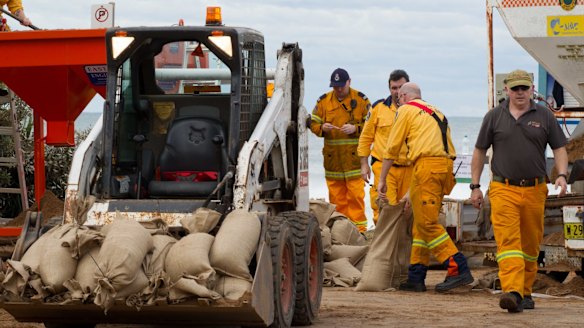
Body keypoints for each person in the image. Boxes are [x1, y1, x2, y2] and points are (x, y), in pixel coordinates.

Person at [470, 69, 568, 313]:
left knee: (530, 245)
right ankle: (512, 290)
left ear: (532, 89)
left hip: (535, 189)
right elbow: (479, 151)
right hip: (503, 188)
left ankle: (524, 292)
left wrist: (563, 175)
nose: (520, 92)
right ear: (507, 90)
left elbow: (559, 149)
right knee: (509, 242)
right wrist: (475, 186)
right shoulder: (494, 116)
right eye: (516, 88)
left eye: (524, 88)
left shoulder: (545, 116)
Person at [378, 82, 474, 292]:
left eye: (399, 97)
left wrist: (382, 179)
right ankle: (416, 275)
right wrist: (411, 192)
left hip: (427, 167)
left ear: (403, 96)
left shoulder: (406, 110)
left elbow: (392, 147)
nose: (398, 100)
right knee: (420, 223)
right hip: (444, 169)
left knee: (428, 223)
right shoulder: (436, 112)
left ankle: (457, 267)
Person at [310, 68, 371, 232]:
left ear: (349, 82)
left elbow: (372, 125)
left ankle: (360, 232)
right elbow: (312, 123)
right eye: (335, 86)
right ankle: (340, 232)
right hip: (333, 162)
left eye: (341, 86)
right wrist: (322, 127)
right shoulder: (323, 102)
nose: (338, 90)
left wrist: (356, 128)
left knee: (356, 198)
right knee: (336, 200)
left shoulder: (361, 100)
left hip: (354, 163)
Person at [358, 69, 411, 224]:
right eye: (393, 88)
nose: (397, 91)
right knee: (386, 209)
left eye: (400, 87)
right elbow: (366, 137)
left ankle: (404, 245)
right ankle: (384, 244)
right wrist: (363, 164)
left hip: (409, 168)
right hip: (385, 168)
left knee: (409, 211)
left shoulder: (416, 110)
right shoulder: (378, 108)